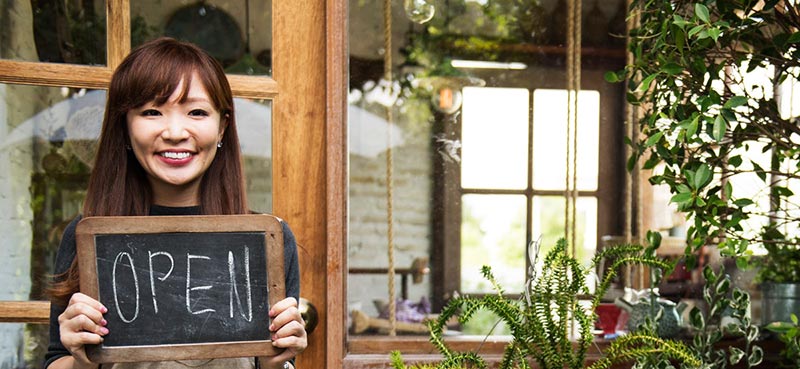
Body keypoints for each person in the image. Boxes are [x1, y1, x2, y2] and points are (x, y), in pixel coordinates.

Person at [44, 37, 307, 369]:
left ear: (223, 125)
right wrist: (81, 359)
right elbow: (56, 360)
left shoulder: (268, 240)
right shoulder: (88, 238)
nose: (174, 131)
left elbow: (271, 362)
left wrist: (279, 359)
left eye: (196, 112)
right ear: (124, 127)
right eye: (152, 112)